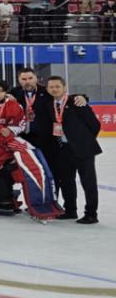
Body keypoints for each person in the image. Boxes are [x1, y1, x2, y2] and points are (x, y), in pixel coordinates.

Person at [31, 76, 101, 224]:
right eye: (51, 87)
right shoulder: (49, 105)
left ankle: (91, 214)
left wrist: (83, 141)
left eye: (57, 86)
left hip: (83, 149)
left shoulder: (76, 101)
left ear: (64, 87)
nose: (54, 89)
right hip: (63, 149)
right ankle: (70, 210)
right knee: (67, 181)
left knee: (88, 182)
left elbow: (94, 125)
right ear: (47, 89)